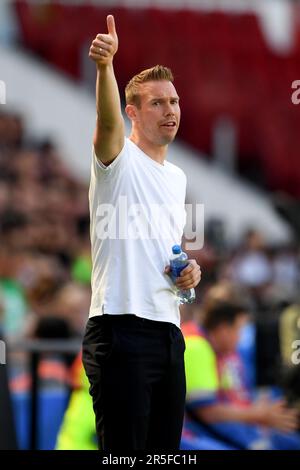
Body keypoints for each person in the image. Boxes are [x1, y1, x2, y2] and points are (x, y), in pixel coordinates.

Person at [82, 15, 201, 451]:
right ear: (133, 112)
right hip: (119, 328)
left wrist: (188, 276)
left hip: (168, 331)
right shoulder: (117, 159)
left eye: (174, 101)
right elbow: (106, 122)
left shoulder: (178, 177)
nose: (170, 110)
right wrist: (105, 67)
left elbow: (165, 254)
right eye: (157, 103)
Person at [182, 293, 300, 450]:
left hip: (218, 428)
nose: (241, 338)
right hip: (189, 434)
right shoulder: (196, 347)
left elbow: (233, 397)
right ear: (224, 329)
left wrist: (260, 410)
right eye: (240, 330)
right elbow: (207, 412)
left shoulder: (220, 350)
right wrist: (260, 415)